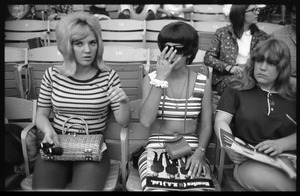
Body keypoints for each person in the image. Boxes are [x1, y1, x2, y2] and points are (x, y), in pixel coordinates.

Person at [32, 12, 131, 190]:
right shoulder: (52, 75)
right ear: (66, 46)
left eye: (92, 43)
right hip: (57, 144)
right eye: (79, 43)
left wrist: (123, 101)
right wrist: (48, 131)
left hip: (92, 148)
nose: (87, 50)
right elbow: (41, 115)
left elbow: (124, 121)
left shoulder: (108, 76)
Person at [138, 21, 213, 191]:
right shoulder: (151, 79)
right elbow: (145, 121)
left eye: (178, 49)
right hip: (157, 146)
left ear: (189, 51)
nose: (171, 55)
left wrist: (200, 153)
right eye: (166, 48)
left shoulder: (202, 82)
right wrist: (160, 79)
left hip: (192, 148)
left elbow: (207, 124)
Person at [214, 38, 296, 191]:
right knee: (287, 186)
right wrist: (231, 146)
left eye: (271, 63)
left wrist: (281, 144)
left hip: (289, 159)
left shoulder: (293, 93)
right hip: (250, 161)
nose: (263, 68)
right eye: (259, 61)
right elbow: (221, 121)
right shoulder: (237, 87)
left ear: (282, 68)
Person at [204, 4, 270, 96]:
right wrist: (228, 67)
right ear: (241, 13)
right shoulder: (222, 33)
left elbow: (267, 59)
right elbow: (208, 58)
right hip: (227, 78)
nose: (257, 12)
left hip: (253, 76)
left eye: (258, 9)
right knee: (239, 82)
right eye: (254, 10)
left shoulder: (262, 36)